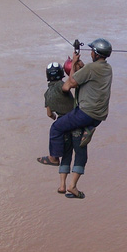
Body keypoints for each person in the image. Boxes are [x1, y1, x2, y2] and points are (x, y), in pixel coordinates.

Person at [37, 39, 113, 195]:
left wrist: (74, 66)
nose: (90, 52)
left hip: (85, 113)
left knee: (57, 127)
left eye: (92, 50)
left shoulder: (91, 68)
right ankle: (71, 185)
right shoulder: (107, 68)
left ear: (96, 53)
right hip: (99, 115)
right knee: (80, 149)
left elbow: (70, 83)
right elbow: (88, 74)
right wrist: (80, 65)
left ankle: (53, 158)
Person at [41, 59, 90, 198]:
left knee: (66, 155)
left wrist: (56, 116)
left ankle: (62, 185)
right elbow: (69, 86)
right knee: (80, 154)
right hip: (74, 122)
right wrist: (75, 66)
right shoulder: (60, 86)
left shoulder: (46, 94)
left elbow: (50, 114)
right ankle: (73, 185)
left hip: (62, 124)